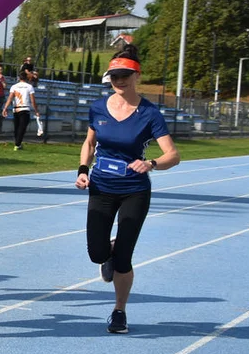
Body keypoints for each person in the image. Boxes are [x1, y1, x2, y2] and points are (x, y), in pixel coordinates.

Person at [75, 44, 180, 334]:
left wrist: (152, 164)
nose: (119, 81)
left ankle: (119, 311)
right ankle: (107, 250)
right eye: (114, 76)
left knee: (124, 258)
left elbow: (173, 155)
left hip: (135, 189)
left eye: (124, 76)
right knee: (97, 254)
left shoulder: (150, 113)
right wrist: (83, 170)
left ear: (137, 76)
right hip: (101, 186)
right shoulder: (98, 108)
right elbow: (89, 143)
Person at [2, 69, 38, 150]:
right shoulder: (29, 87)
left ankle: (17, 143)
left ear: (19, 78)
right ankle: (17, 144)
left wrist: (5, 108)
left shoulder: (14, 86)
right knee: (22, 127)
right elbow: (33, 100)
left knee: (17, 127)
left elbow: (10, 98)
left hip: (16, 109)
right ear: (26, 78)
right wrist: (36, 111)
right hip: (25, 109)